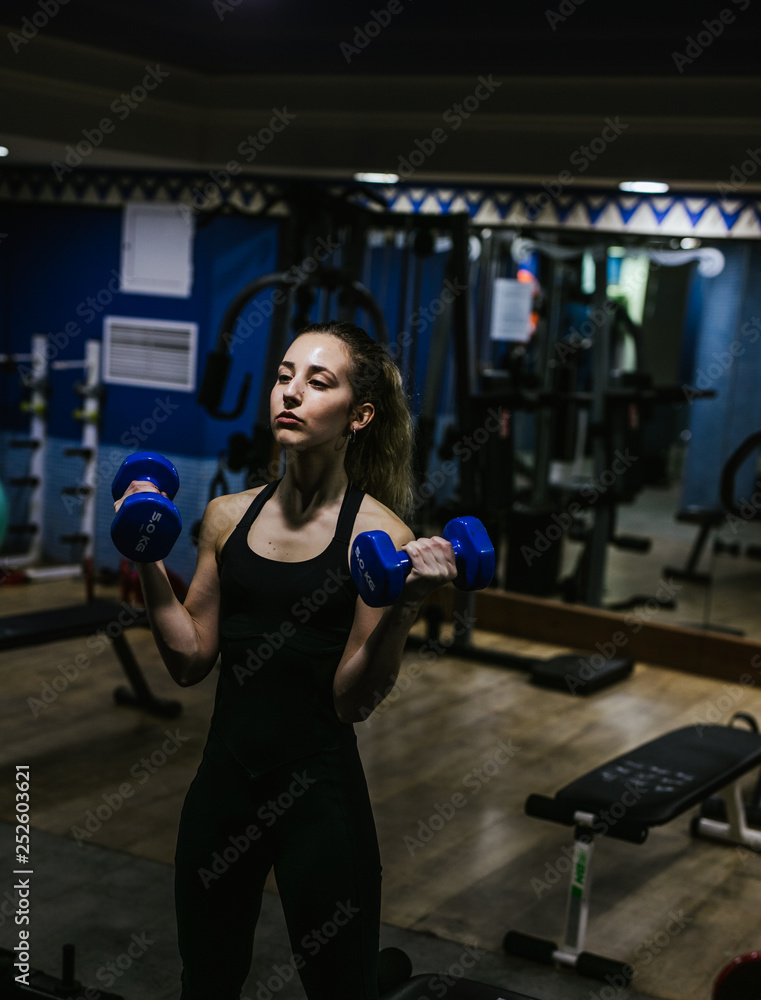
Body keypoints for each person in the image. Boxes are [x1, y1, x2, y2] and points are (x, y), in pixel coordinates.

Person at [114, 321, 459, 1000]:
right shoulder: (226, 517)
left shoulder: (379, 536)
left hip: (319, 798)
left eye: (318, 382)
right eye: (283, 376)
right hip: (223, 788)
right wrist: (146, 554)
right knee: (206, 982)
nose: (291, 393)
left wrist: (407, 604)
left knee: (340, 987)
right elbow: (190, 661)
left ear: (359, 416)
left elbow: (351, 701)